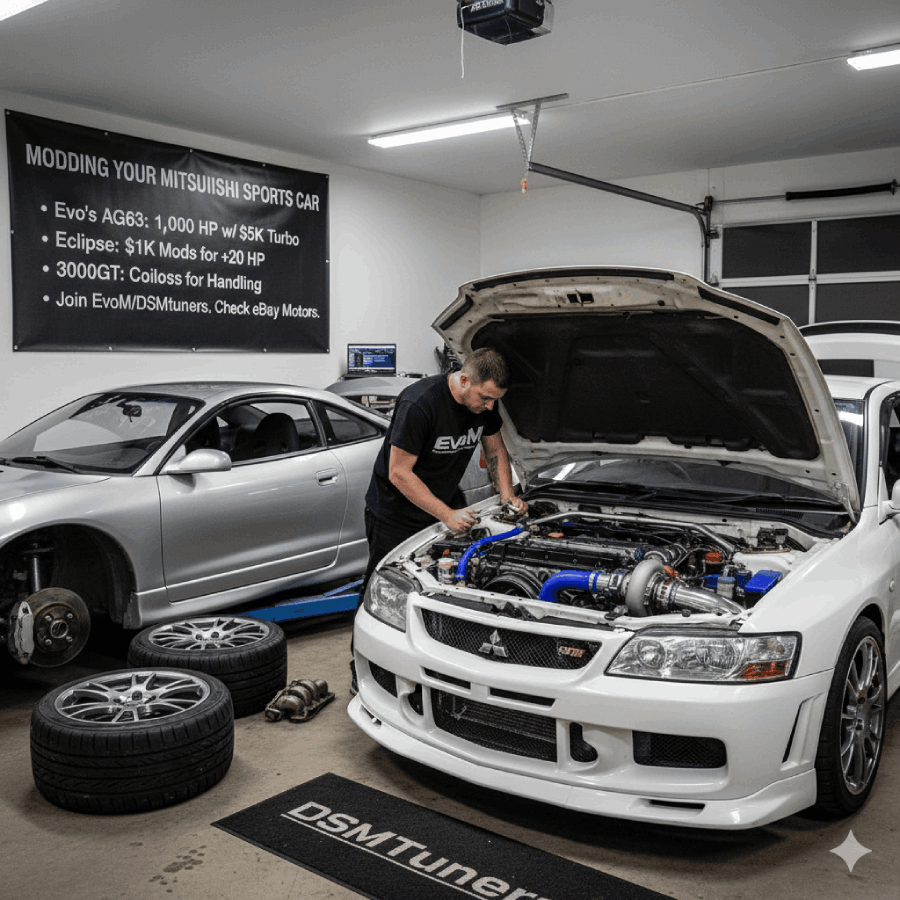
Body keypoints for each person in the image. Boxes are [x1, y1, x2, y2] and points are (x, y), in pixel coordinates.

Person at [360, 346, 527, 601]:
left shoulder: (485, 406)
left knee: (444, 585)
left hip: (444, 505)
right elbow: (399, 473)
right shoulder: (419, 404)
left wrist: (507, 496)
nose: (490, 405)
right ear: (464, 380)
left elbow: (495, 451)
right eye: (485, 397)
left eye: (495, 399)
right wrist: (447, 514)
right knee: (384, 592)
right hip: (395, 516)